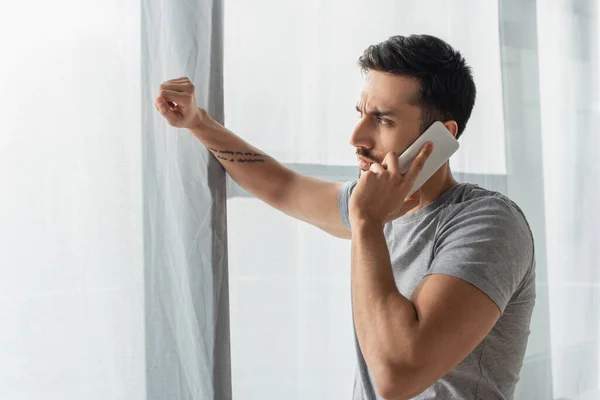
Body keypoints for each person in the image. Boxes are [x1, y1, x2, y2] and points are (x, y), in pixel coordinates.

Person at [155, 34, 535, 400]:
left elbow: (396, 375)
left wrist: (367, 222)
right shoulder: (370, 203)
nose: (357, 136)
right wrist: (199, 123)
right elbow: (283, 187)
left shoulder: (489, 223)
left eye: (382, 119)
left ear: (438, 138)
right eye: (361, 114)